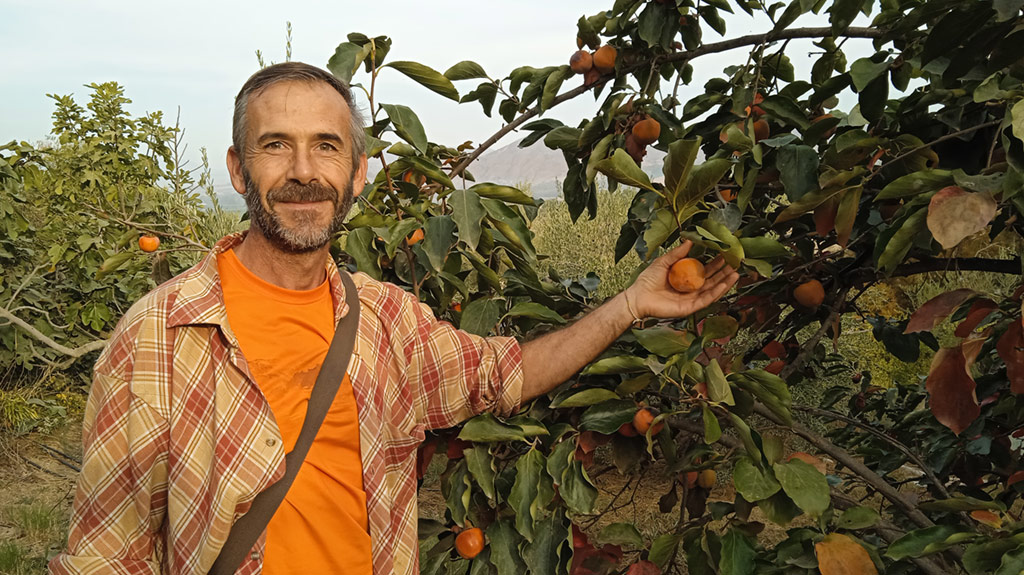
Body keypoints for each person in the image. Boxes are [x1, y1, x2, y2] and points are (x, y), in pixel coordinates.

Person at [50, 62, 738, 575]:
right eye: (275, 145)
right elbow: (107, 550)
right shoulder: (159, 334)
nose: (302, 170)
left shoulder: (386, 321)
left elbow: (505, 374)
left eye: (326, 145)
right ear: (237, 168)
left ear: (357, 173)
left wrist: (629, 303)